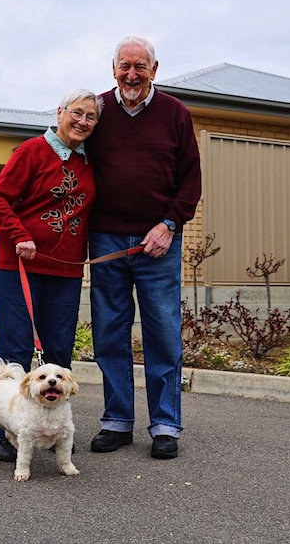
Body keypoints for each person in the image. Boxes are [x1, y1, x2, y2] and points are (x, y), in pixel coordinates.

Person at [85, 36, 202, 459]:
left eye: (140, 66)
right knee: (110, 332)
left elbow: (191, 178)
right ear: (112, 68)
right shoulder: (95, 111)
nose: (131, 74)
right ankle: (116, 421)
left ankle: (165, 425)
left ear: (154, 69)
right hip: (107, 239)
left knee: (163, 334)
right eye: (124, 66)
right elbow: (65, 148)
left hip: (160, 241)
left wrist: (169, 225)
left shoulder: (175, 113)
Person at [0, 88, 102, 462]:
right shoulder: (34, 150)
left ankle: (50, 430)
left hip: (63, 267)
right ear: (60, 112)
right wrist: (20, 235)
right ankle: (7, 430)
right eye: (77, 113)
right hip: (17, 260)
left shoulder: (89, 162)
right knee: (16, 346)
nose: (82, 122)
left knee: (59, 349)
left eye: (91, 117)